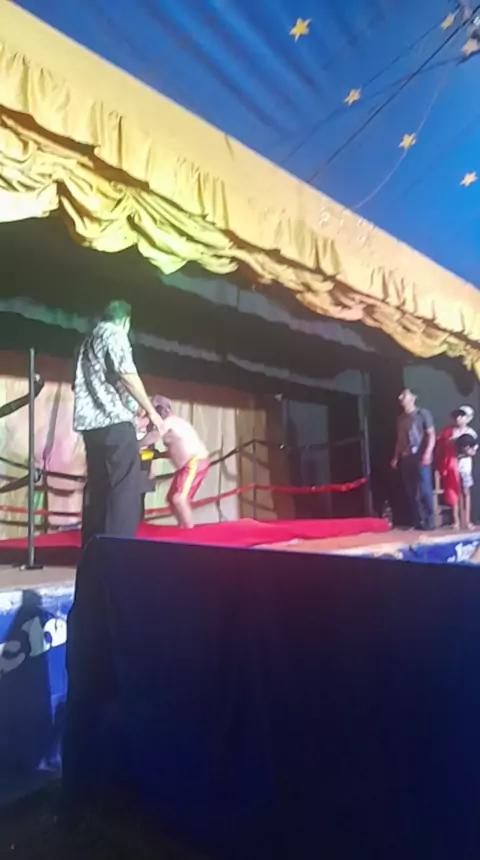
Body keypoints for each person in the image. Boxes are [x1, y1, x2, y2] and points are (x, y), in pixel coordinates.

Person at [73, 300, 163, 546]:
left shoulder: (86, 341)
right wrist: (151, 412)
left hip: (90, 425)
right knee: (124, 487)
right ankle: (119, 548)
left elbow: (101, 382)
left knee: (98, 488)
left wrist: (133, 406)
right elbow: (127, 375)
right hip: (114, 423)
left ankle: (93, 547)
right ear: (125, 320)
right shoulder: (114, 333)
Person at [140, 396, 209, 528]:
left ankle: (188, 529)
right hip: (188, 465)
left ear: (162, 410)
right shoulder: (173, 425)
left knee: (178, 498)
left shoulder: (170, 422)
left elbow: (153, 436)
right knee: (172, 498)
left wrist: (135, 445)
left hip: (194, 462)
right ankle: (183, 525)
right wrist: (159, 455)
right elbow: (178, 449)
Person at [391, 389, 436, 531]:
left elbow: (431, 434)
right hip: (407, 456)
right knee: (411, 490)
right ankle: (418, 521)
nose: (400, 397)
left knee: (424, 488)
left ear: (413, 398)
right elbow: (400, 440)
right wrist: (396, 457)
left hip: (420, 455)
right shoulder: (400, 419)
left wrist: (428, 452)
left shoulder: (422, 413)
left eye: (404, 395)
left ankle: (430, 521)